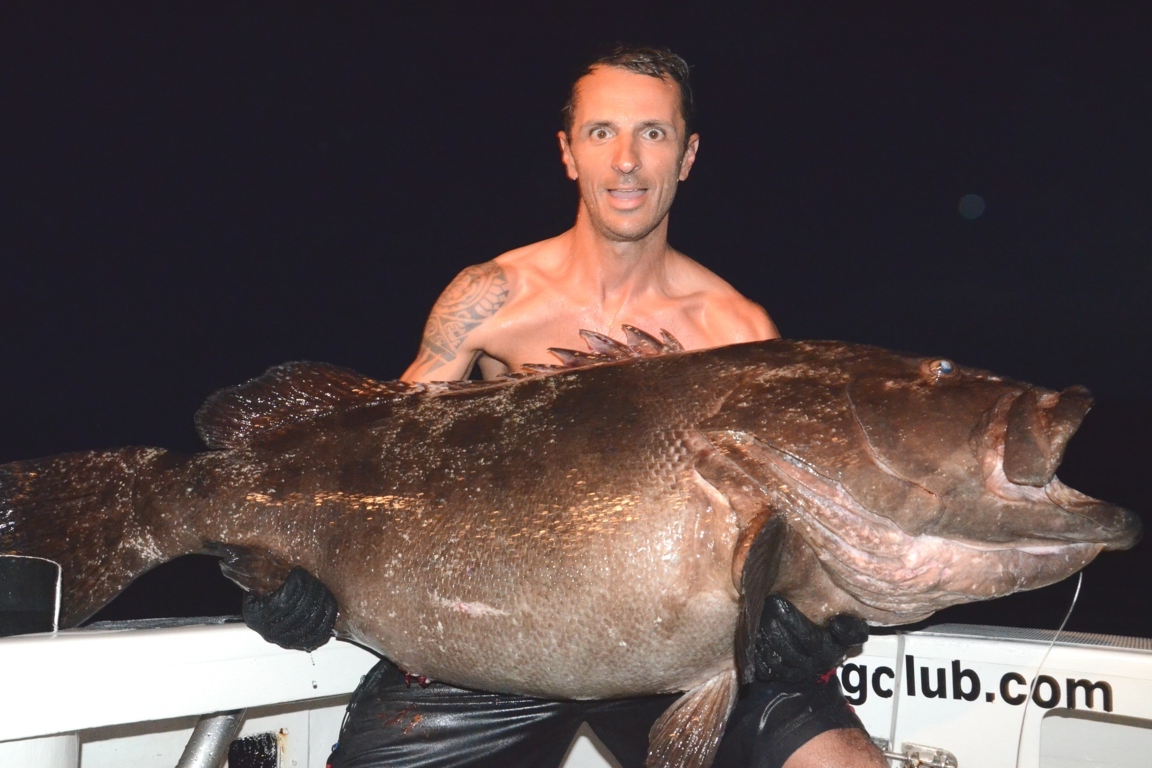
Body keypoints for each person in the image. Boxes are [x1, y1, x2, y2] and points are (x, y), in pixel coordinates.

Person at [245, 46, 886, 768]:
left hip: (670, 654)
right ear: (568, 152)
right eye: (602, 132)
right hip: (492, 647)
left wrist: (815, 617)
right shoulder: (489, 297)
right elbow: (381, 457)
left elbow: (790, 525)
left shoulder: (737, 333)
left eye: (653, 133)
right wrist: (285, 567)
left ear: (688, 154)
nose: (626, 162)